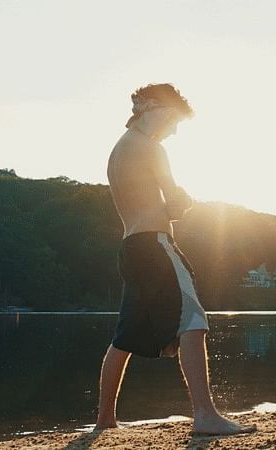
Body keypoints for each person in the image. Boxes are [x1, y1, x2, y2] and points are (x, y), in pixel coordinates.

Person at [95, 83, 255, 435]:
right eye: (175, 120)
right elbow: (173, 202)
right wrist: (184, 202)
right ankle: (205, 415)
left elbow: (138, 202)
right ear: (159, 108)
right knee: (193, 322)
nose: (175, 129)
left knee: (125, 337)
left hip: (132, 247)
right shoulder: (152, 149)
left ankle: (105, 420)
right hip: (156, 245)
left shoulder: (119, 149)